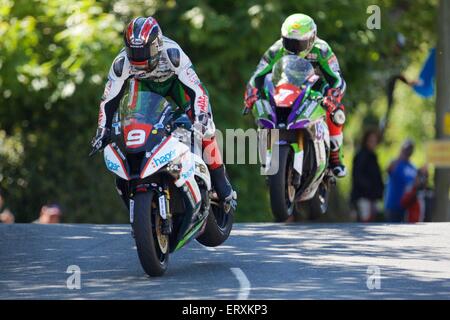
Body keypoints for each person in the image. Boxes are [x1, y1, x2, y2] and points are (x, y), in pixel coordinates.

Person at [90, 16, 236, 208]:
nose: (139, 59)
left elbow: (197, 89)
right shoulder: (121, 63)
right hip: (144, 87)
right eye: (132, 52)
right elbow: (108, 100)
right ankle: (144, 170)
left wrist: (201, 116)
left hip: (175, 84)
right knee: (133, 125)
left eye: (144, 51)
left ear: (157, 44)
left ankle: (222, 184)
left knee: (206, 129)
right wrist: (103, 130)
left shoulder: (173, 53)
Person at [244, 13, 347, 178]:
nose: (293, 47)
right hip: (284, 91)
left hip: (314, 90)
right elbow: (257, 76)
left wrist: (333, 96)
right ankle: (267, 155)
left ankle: (335, 153)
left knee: (337, 112)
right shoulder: (276, 49)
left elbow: (336, 78)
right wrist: (251, 94)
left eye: (299, 42)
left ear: (312, 38)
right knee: (263, 106)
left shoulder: (322, 50)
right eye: (289, 42)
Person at [351, 129, 384, 222]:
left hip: (373, 198)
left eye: (375, 141)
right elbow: (357, 176)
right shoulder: (361, 156)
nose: (373, 143)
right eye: (371, 140)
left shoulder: (373, 156)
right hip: (363, 197)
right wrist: (370, 188)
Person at [384, 139, 417, 222]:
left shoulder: (412, 167)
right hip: (393, 206)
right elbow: (388, 170)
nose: (408, 151)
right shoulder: (395, 163)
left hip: (407, 207)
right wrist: (400, 156)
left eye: (410, 149)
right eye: (406, 148)